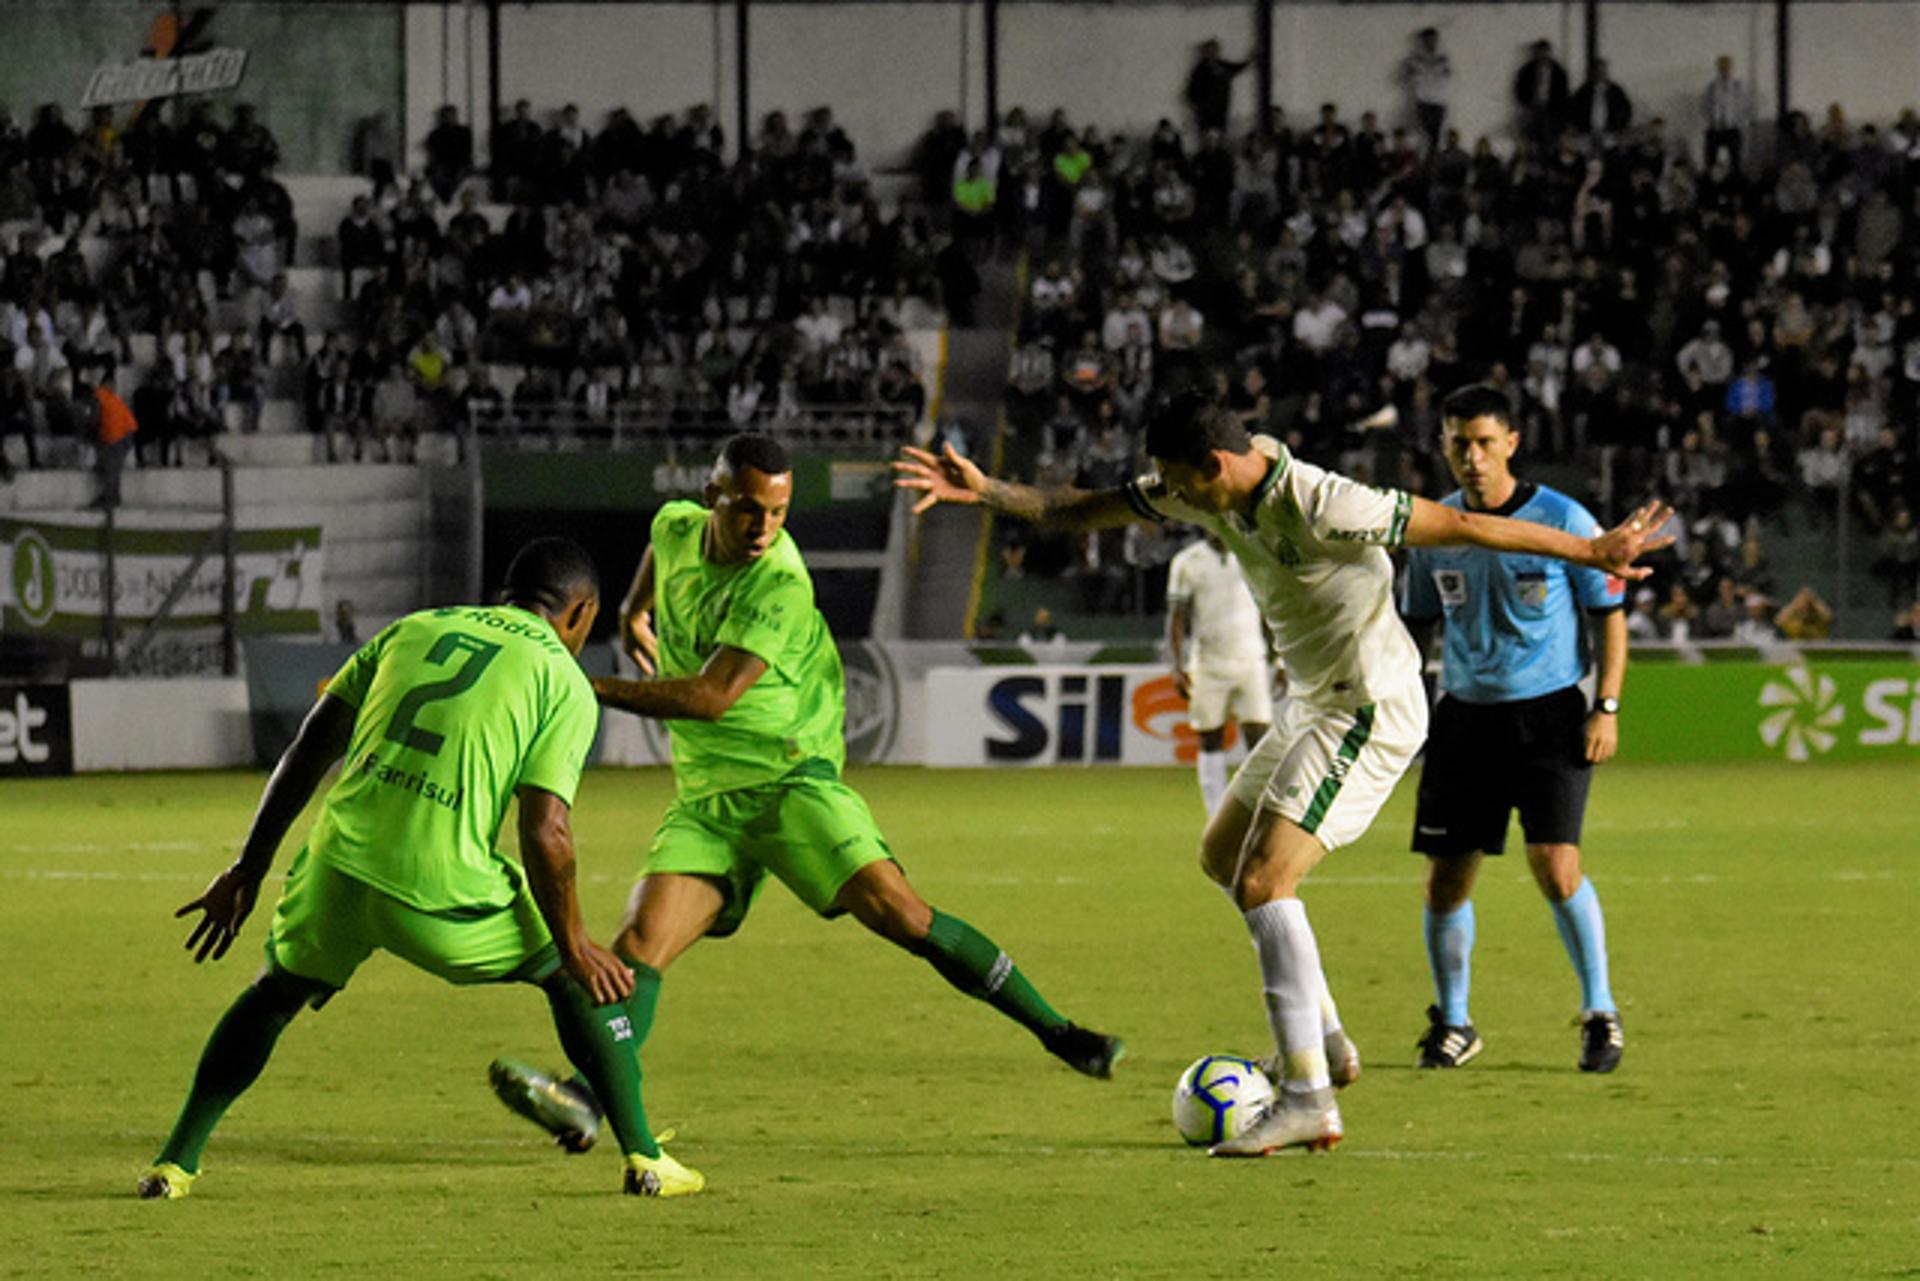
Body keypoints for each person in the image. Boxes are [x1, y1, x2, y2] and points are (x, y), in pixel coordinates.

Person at [895, 392, 1671, 1157]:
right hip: (1312, 702)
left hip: (1369, 707)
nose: (1170, 495)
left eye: (1178, 479)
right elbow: (1087, 507)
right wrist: (987, 492)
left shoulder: (1328, 502)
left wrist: (1591, 549)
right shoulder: (1201, 486)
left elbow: (1463, 525)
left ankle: (1309, 1098)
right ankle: (1326, 1044)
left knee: (1268, 882)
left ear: (1216, 463)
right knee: (1222, 856)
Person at [487, 435, 1122, 1187]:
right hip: (708, 798)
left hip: (792, 780)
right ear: (712, 496)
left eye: (780, 512)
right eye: (751, 508)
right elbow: (651, 575)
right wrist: (632, 614)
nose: (765, 527)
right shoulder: (674, 527)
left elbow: (710, 699)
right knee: (640, 944)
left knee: (905, 916)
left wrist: (580, 682)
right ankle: (589, 1097)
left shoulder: (779, 585)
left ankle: (1059, 1030)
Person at [137, 539, 692, 1199]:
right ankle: (646, 1158)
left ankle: (174, 1165)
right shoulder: (562, 679)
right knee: (573, 977)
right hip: (440, 882)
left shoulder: (414, 627)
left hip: (338, 864)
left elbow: (311, 746)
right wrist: (574, 944)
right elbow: (547, 829)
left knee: (274, 994)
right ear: (580, 614)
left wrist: (248, 869)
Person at [1398, 384, 1629, 1075]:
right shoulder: (1433, 531)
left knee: (1557, 867)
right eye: (1458, 443)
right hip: (1464, 716)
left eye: (1484, 442)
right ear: (1443, 446)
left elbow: (1609, 614)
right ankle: (1456, 1021)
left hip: (1550, 714)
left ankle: (1599, 1010)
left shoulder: (1562, 518)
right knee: (1446, 882)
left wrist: (1607, 706)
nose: (1471, 456)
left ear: (1512, 444)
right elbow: (1415, 625)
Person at [1167, 529, 1274, 815]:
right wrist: (1177, 665)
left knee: (1258, 735)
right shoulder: (1188, 561)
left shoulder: (1252, 553)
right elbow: (1177, 616)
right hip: (1208, 661)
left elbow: (1269, 609)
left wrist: (1281, 660)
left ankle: (1257, 810)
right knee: (1210, 736)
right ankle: (1216, 814)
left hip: (1251, 657)